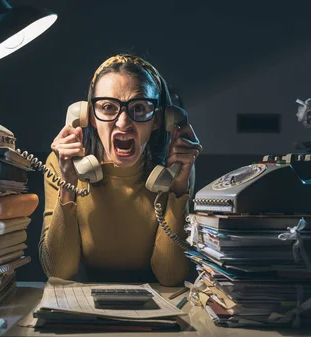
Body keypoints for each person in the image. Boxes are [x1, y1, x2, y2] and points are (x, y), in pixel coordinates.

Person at [39, 54, 202, 286]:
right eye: (107, 107)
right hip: (83, 307)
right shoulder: (61, 165)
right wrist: (68, 182)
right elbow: (58, 271)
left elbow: (171, 275)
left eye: (139, 108)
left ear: (157, 120)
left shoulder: (174, 171)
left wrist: (178, 189)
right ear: (90, 118)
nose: (123, 123)